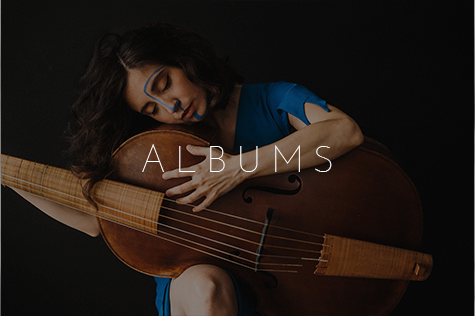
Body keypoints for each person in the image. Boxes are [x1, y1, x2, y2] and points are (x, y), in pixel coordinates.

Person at [12, 22, 364, 316]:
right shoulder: (150, 149)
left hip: (281, 269)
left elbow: (343, 131)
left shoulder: (272, 99)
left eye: (164, 84)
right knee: (206, 289)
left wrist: (238, 168)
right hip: (192, 283)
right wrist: (8, 175)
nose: (171, 107)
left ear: (185, 60)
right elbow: (94, 221)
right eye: (152, 109)